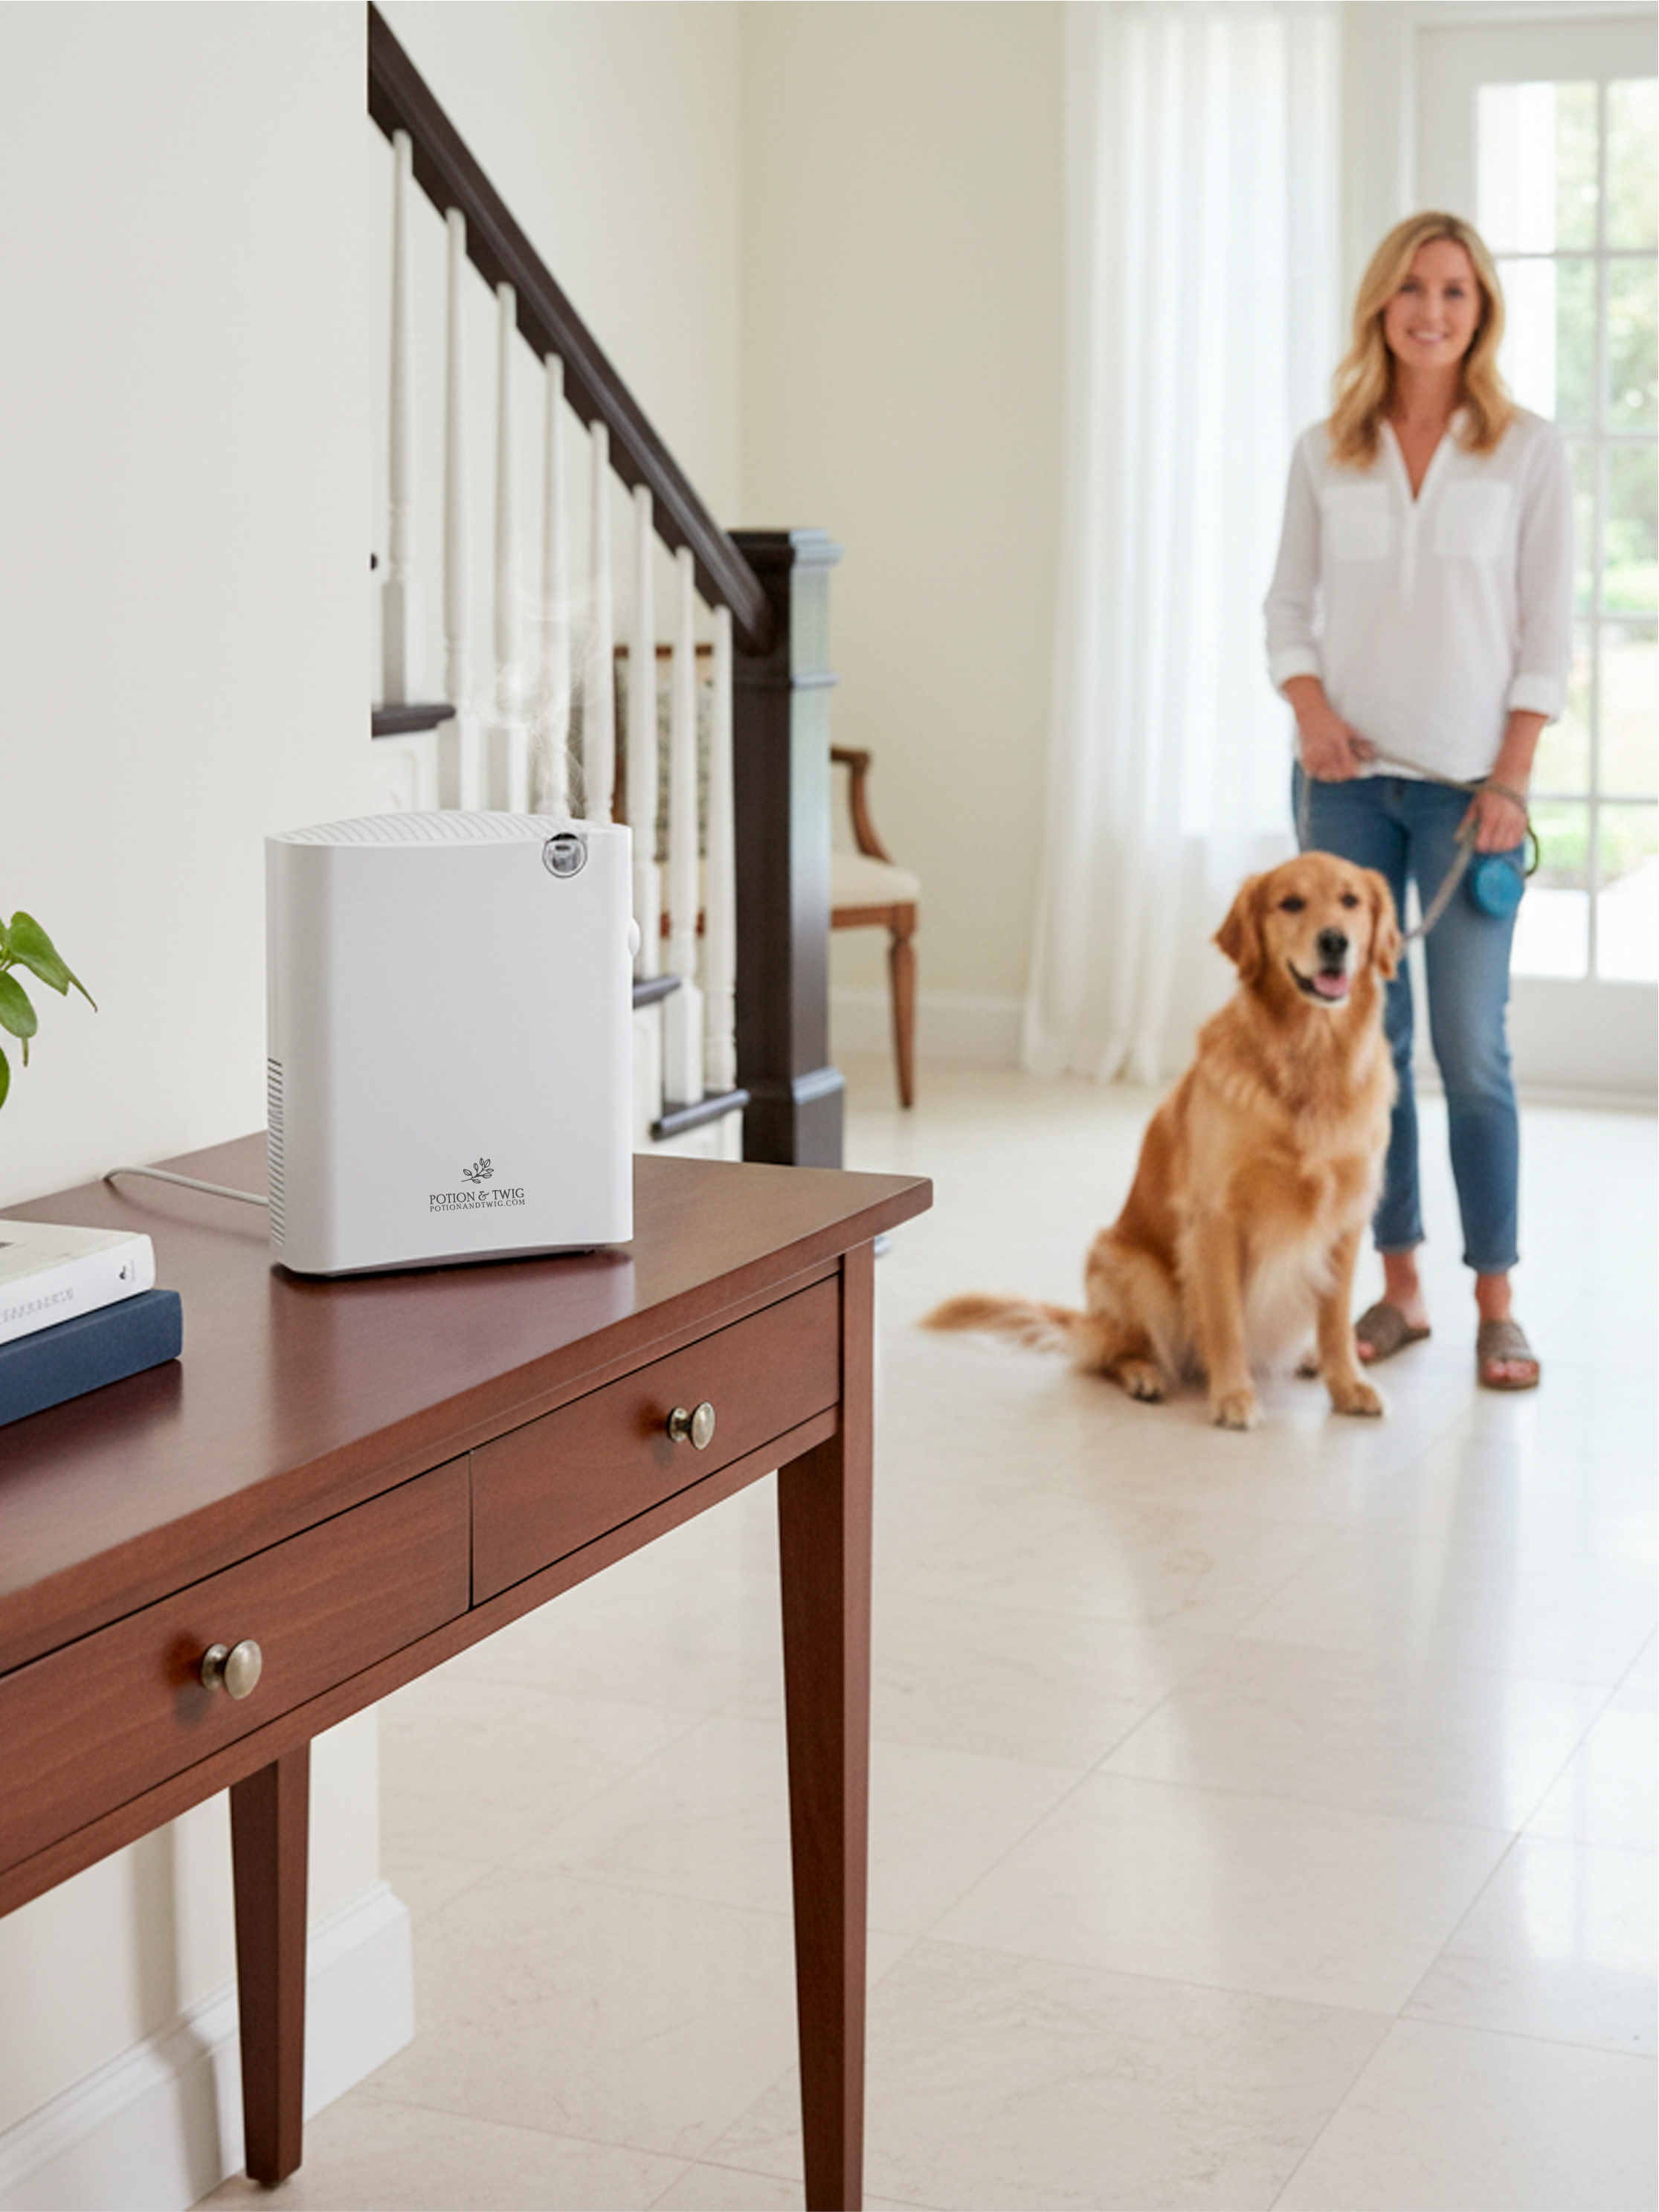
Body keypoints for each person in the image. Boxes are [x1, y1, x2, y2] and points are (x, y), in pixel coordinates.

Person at [1263, 211, 1573, 1390]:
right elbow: (1285, 609)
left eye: (1452, 290)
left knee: (1468, 1050)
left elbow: (1545, 628)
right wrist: (1309, 711)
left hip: (1466, 798)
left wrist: (1513, 775)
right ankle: (1392, 1291)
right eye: (1409, 290)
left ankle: (1496, 1296)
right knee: (1358, 1049)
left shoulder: (1526, 451)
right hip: (1341, 787)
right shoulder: (1323, 450)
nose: (1430, 310)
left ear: (1480, 308)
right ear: (1378, 308)